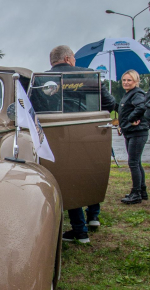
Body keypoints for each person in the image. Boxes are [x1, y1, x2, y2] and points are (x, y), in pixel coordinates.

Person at [48, 45, 117, 243]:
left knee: (68, 176)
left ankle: (79, 230)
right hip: (90, 129)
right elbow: (110, 103)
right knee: (92, 170)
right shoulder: (89, 75)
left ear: (53, 61)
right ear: (69, 59)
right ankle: (93, 216)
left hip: (59, 134)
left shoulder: (45, 78)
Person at [118, 69, 148, 204]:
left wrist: (131, 118)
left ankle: (136, 194)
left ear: (136, 81)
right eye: (124, 80)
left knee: (133, 163)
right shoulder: (128, 94)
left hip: (137, 132)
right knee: (136, 162)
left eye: (129, 80)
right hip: (130, 132)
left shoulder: (137, 94)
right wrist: (122, 125)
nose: (126, 82)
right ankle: (142, 191)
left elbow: (141, 108)